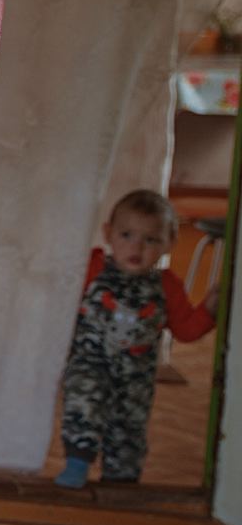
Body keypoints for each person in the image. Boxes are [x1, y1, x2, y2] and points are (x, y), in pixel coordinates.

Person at [54, 189, 213, 488]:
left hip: (136, 378)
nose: (136, 246)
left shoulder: (167, 286)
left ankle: (121, 482)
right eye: (126, 235)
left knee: (128, 429)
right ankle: (77, 462)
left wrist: (210, 308)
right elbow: (60, 298)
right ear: (108, 234)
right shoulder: (93, 267)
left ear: (170, 243)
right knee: (83, 404)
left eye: (151, 240)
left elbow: (187, 330)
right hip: (90, 363)